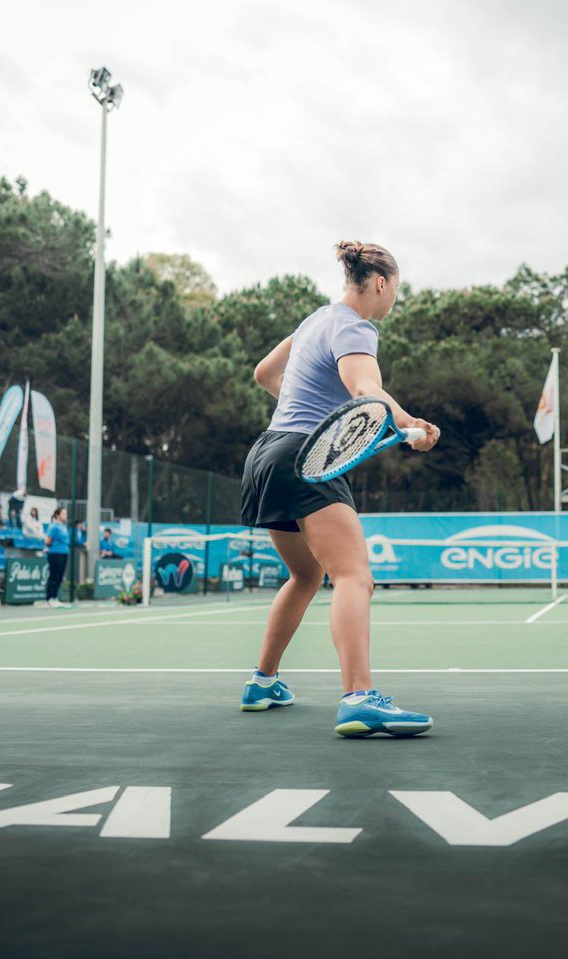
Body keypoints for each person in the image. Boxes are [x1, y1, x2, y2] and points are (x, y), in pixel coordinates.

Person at [240, 241, 439, 737]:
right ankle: (358, 699)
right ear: (380, 283)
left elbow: (265, 374)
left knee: (305, 575)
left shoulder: (314, 320)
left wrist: (308, 411)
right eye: (396, 288)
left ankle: (263, 682)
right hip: (305, 459)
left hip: (267, 453)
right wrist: (408, 422)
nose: (394, 297)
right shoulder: (356, 327)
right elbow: (365, 390)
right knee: (354, 576)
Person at [44, 507, 70, 605]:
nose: (65, 516)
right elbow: (48, 541)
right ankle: (49, 598)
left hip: (64, 553)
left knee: (59, 576)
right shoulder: (53, 526)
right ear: (57, 515)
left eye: (66, 514)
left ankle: (55, 597)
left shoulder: (64, 526)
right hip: (55, 553)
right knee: (53, 576)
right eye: (63, 514)